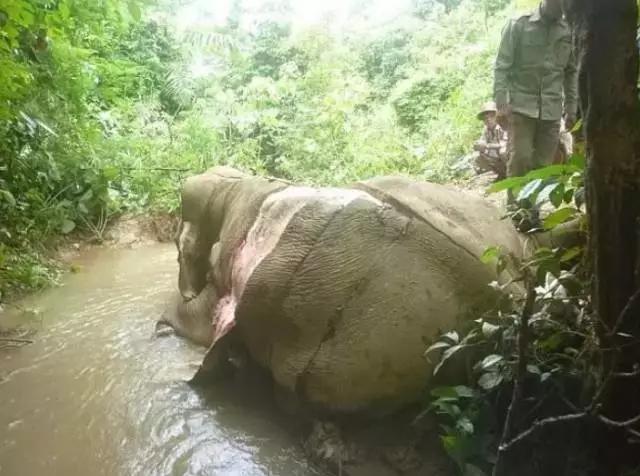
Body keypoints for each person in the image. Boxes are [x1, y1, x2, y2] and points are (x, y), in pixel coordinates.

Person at [494, 0, 578, 225]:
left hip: (551, 111)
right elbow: (502, 65)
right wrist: (501, 105)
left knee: (543, 166)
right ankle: (516, 215)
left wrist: (571, 109)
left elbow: (571, 73)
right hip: (521, 107)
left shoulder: (568, 31)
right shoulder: (518, 25)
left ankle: (532, 215)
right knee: (520, 159)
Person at [473, 101, 508, 180]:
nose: (488, 120)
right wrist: (478, 146)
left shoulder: (503, 126)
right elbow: (482, 142)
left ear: (497, 116)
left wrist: (487, 146)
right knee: (478, 158)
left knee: (503, 152)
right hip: (497, 158)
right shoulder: (486, 130)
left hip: (509, 155)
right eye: (485, 118)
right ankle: (502, 174)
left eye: (491, 116)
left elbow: (505, 145)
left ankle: (513, 174)